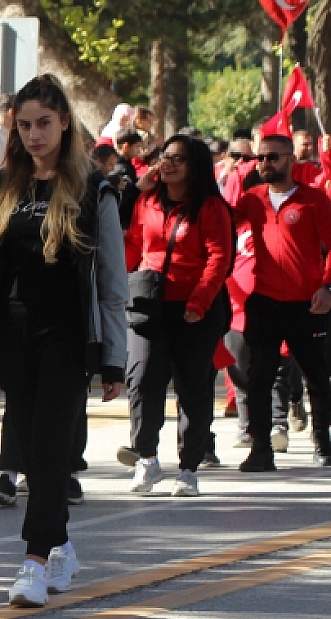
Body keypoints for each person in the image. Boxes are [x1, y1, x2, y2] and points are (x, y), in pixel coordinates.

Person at [0, 75, 126, 608]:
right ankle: (63, 546)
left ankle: (32, 563)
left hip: (69, 336)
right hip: (11, 335)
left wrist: (114, 359)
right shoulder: (1, 183)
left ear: (65, 122)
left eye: (43, 124)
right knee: (30, 450)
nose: (33, 134)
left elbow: (111, 283)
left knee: (51, 448)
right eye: (24, 124)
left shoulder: (93, 189)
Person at [121, 135, 234, 496]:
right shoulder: (147, 201)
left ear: (195, 167)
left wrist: (198, 303)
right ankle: (147, 460)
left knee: (193, 388)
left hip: (195, 312)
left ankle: (188, 468)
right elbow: (133, 246)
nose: (166, 164)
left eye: (177, 159)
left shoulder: (211, 208)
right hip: (148, 306)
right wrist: (116, 285)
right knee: (141, 380)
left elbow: (219, 258)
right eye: (164, 157)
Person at [230, 131, 331, 471]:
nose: (265, 163)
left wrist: (327, 287)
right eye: (260, 157)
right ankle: (261, 450)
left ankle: (323, 444)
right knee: (258, 378)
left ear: (291, 160)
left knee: (317, 377)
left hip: (307, 304)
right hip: (264, 302)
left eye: (273, 157)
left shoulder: (314, 200)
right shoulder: (251, 201)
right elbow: (220, 222)